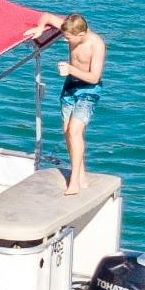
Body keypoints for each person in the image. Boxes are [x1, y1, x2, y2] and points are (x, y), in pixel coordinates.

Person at [57, 15, 107, 190]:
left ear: (81, 34)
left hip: (88, 90)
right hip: (70, 86)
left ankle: (74, 180)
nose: (65, 40)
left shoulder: (96, 44)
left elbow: (94, 77)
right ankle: (81, 173)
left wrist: (70, 69)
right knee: (67, 132)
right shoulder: (71, 28)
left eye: (68, 38)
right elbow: (47, 16)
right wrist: (40, 28)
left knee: (75, 131)